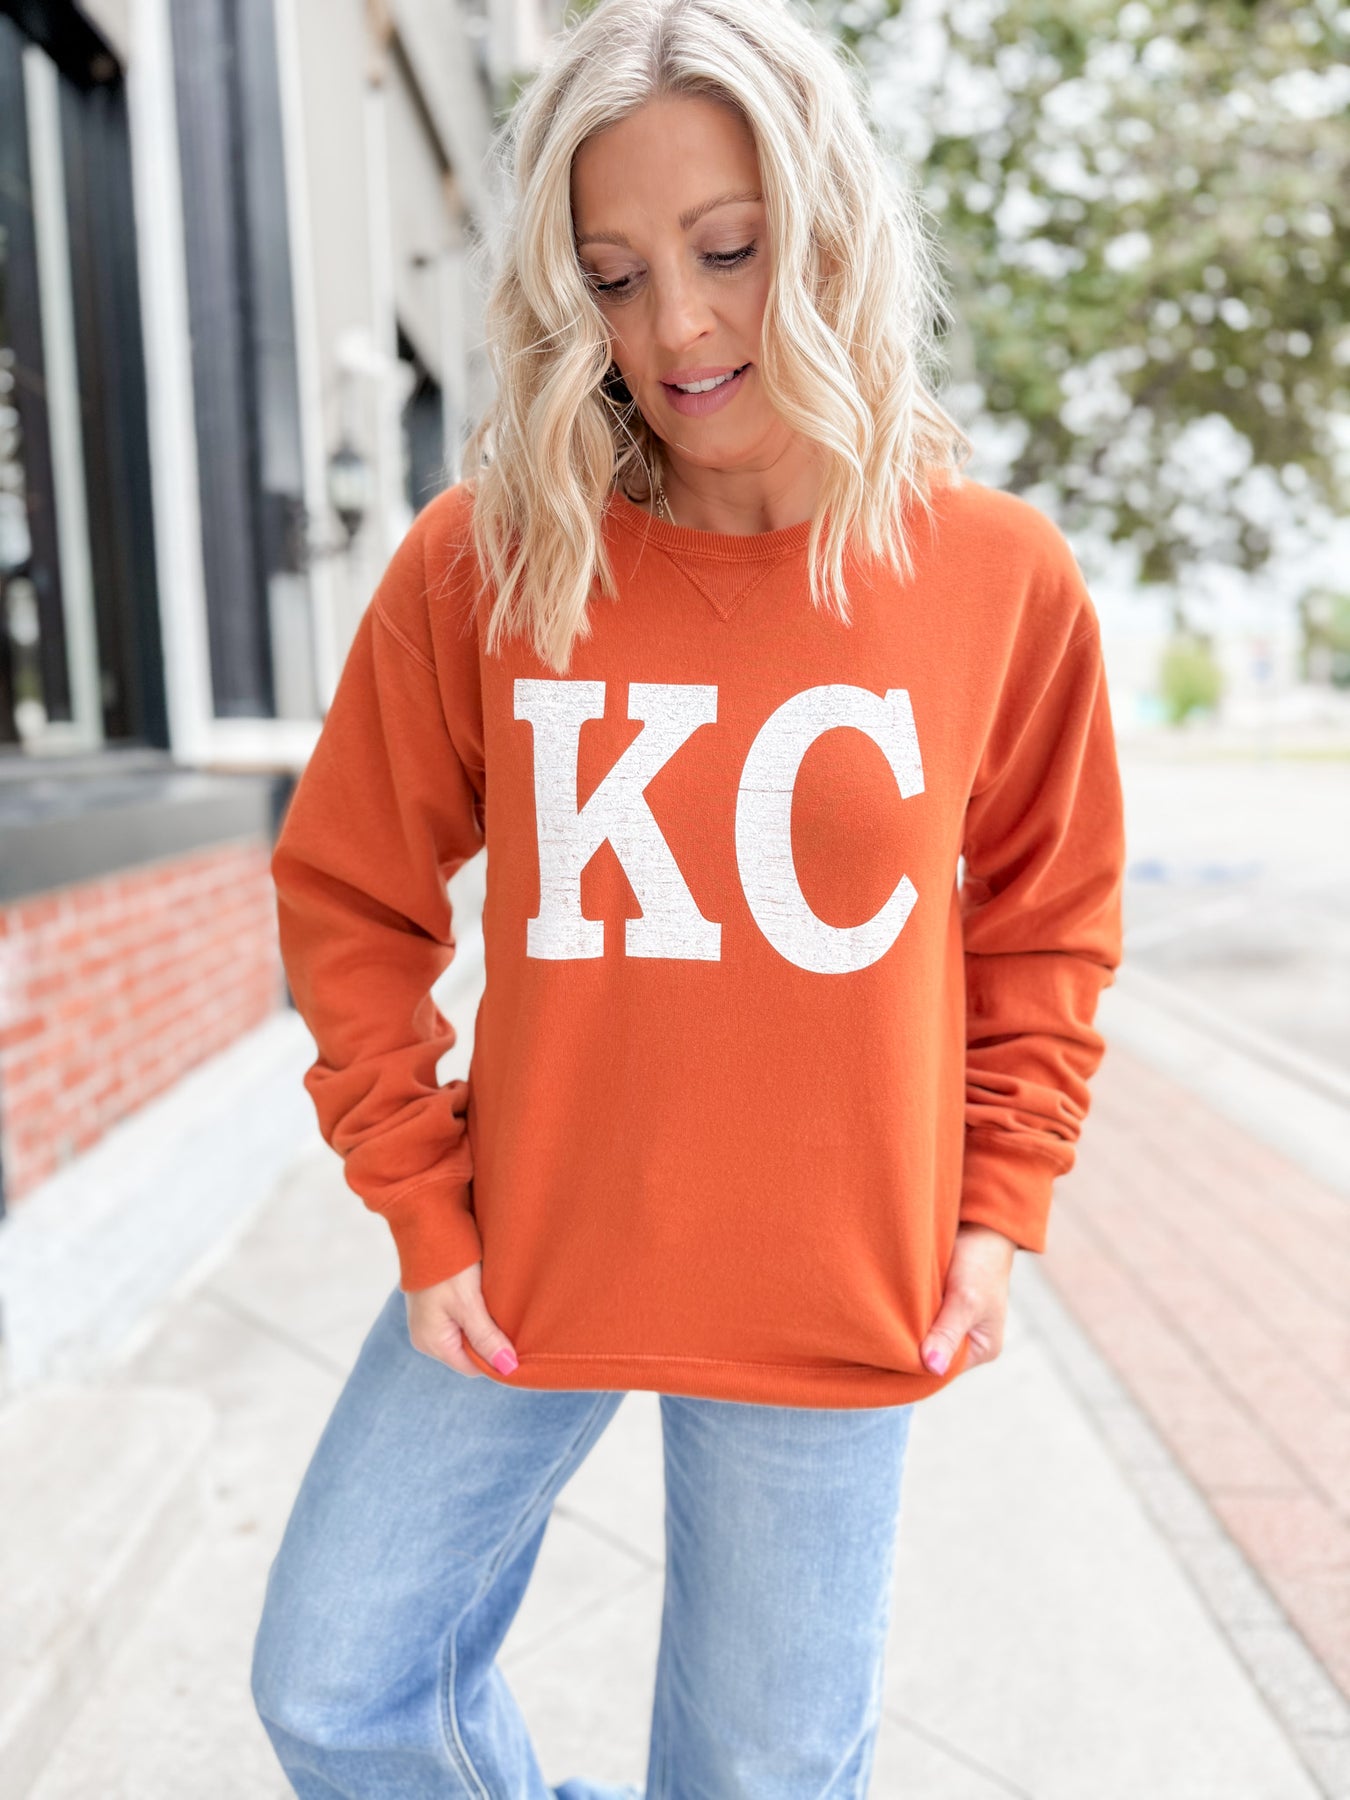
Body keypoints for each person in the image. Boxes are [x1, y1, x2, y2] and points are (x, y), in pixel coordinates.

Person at [249, 0, 1127, 1792]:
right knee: (335, 1688)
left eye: (728, 250)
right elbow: (349, 893)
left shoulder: (992, 578)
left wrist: (998, 1203)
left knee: (757, 1780)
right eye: (612, 276)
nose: (676, 328)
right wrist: (421, 1205)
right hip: (522, 1259)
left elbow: (1044, 920)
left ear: (832, 229)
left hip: (835, 1285)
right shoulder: (489, 560)